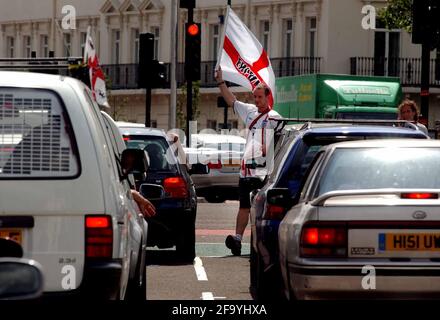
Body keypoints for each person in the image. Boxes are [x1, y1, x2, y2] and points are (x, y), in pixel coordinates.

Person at [215, 66, 281, 256]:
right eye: (255, 97)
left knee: (260, 208)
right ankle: (237, 239)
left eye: (260, 97)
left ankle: (260, 241)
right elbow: (232, 100)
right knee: (244, 206)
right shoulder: (250, 112)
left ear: (268, 97)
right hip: (246, 170)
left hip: (263, 171)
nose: (257, 100)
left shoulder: (274, 118)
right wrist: (221, 82)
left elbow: (282, 139)